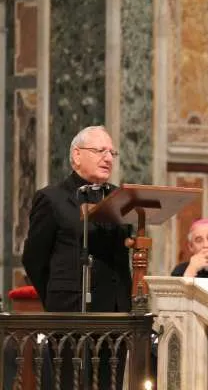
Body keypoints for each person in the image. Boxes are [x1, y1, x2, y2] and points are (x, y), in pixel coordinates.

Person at [21, 125, 131, 389]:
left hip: (115, 316)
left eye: (112, 152)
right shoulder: (52, 198)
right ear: (77, 155)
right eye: (100, 150)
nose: (108, 158)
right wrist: (58, 298)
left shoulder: (122, 198)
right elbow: (34, 259)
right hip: (69, 313)